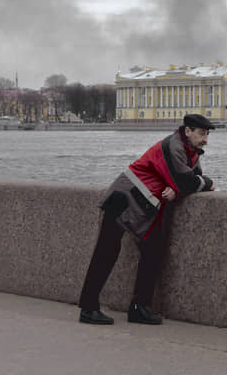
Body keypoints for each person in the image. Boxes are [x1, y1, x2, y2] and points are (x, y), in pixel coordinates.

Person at [78, 113, 217, 325]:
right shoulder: (174, 146)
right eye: (201, 134)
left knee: (153, 251)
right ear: (187, 131)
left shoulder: (191, 151)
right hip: (124, 198)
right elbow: (186, 181)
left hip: (144, 205)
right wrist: (207, 182)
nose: (205, 139)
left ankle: (139, 307)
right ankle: (88, 308)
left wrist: (180, 189)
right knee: (106, 253)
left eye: (207, 134)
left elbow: (182, 183)